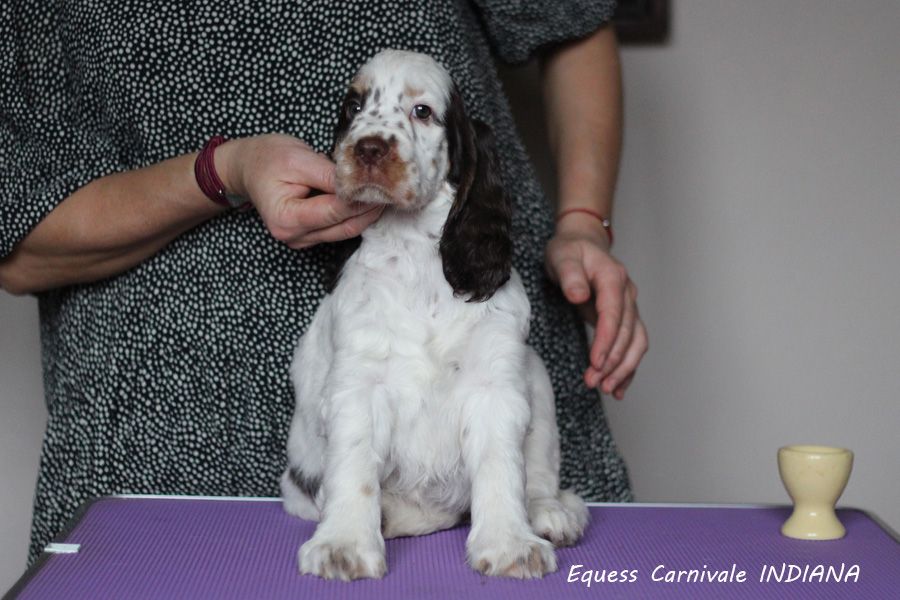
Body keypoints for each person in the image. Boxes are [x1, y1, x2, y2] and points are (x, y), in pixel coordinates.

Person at [0, 0, 647, 564]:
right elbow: (18, 246)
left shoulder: (488, 281)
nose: (377, 136)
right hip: (159, 419)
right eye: (360, 110)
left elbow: (572, 22)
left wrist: (584, 221)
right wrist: (227, 169)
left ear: (458, 151)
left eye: (418, 113)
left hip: (476, 363)